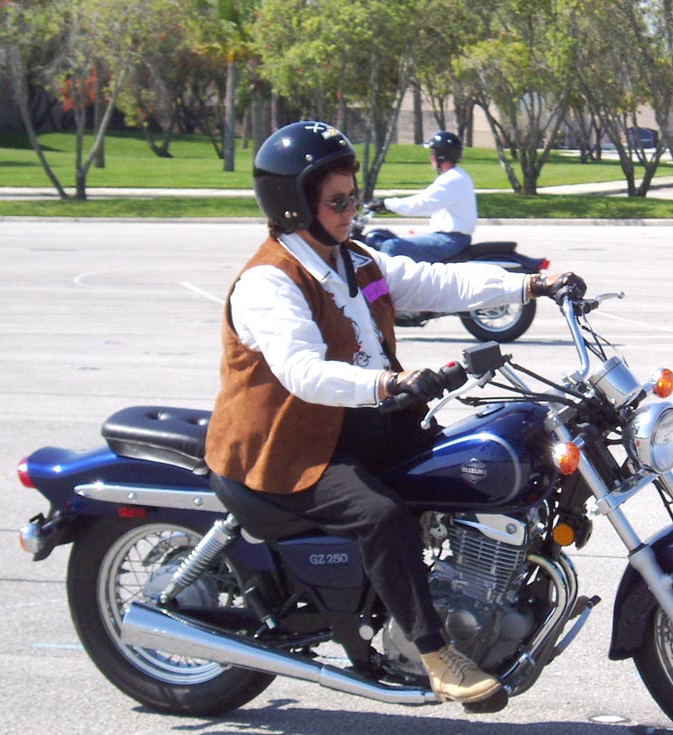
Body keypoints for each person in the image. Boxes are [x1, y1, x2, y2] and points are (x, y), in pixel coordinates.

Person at [204, 121, 583, 703]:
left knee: (476, 463)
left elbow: (438, 283)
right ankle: (437, 655)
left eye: (353, 196)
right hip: (292, 447)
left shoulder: (355, 262)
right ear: (293, 207)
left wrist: (531, 286)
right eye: (337, 201)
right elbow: (303, 372)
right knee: (382, 516)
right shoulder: (270, 282)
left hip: (364, 425)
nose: (351, 210)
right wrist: (387, 383)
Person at [370, 131, 477, 263]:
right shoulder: (456, 176)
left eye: (433, 153)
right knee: (387, 237)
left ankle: (384, 278)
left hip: (450, 240)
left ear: (442, 156)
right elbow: (424, 201)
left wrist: (386, 204)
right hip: (451, 238)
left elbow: (420, 204)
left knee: (391, 246)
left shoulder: (452, 179)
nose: (431, 157)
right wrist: (387, 205)